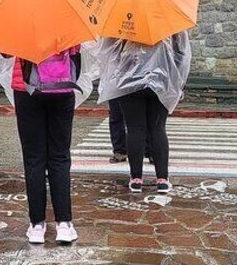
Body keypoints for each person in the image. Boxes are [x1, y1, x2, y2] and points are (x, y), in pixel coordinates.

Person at [87, 31, 192, 195]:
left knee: (135, 129)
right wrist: (177, 83)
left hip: (129, 80)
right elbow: (182, 55)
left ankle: (136, 179)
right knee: (158, 129)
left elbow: (107, 52)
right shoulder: (169, 23)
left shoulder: (121, 20)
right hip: (161, 81)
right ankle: (162, 179)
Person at [11, 48, 81, 245]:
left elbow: (7, 53)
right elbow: (76, 52)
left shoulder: (19, 18)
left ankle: (36, 225)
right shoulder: (69, 19)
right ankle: (64, 223)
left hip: (26, 90)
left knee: (34, 158)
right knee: (60, 157)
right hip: (62, 88)